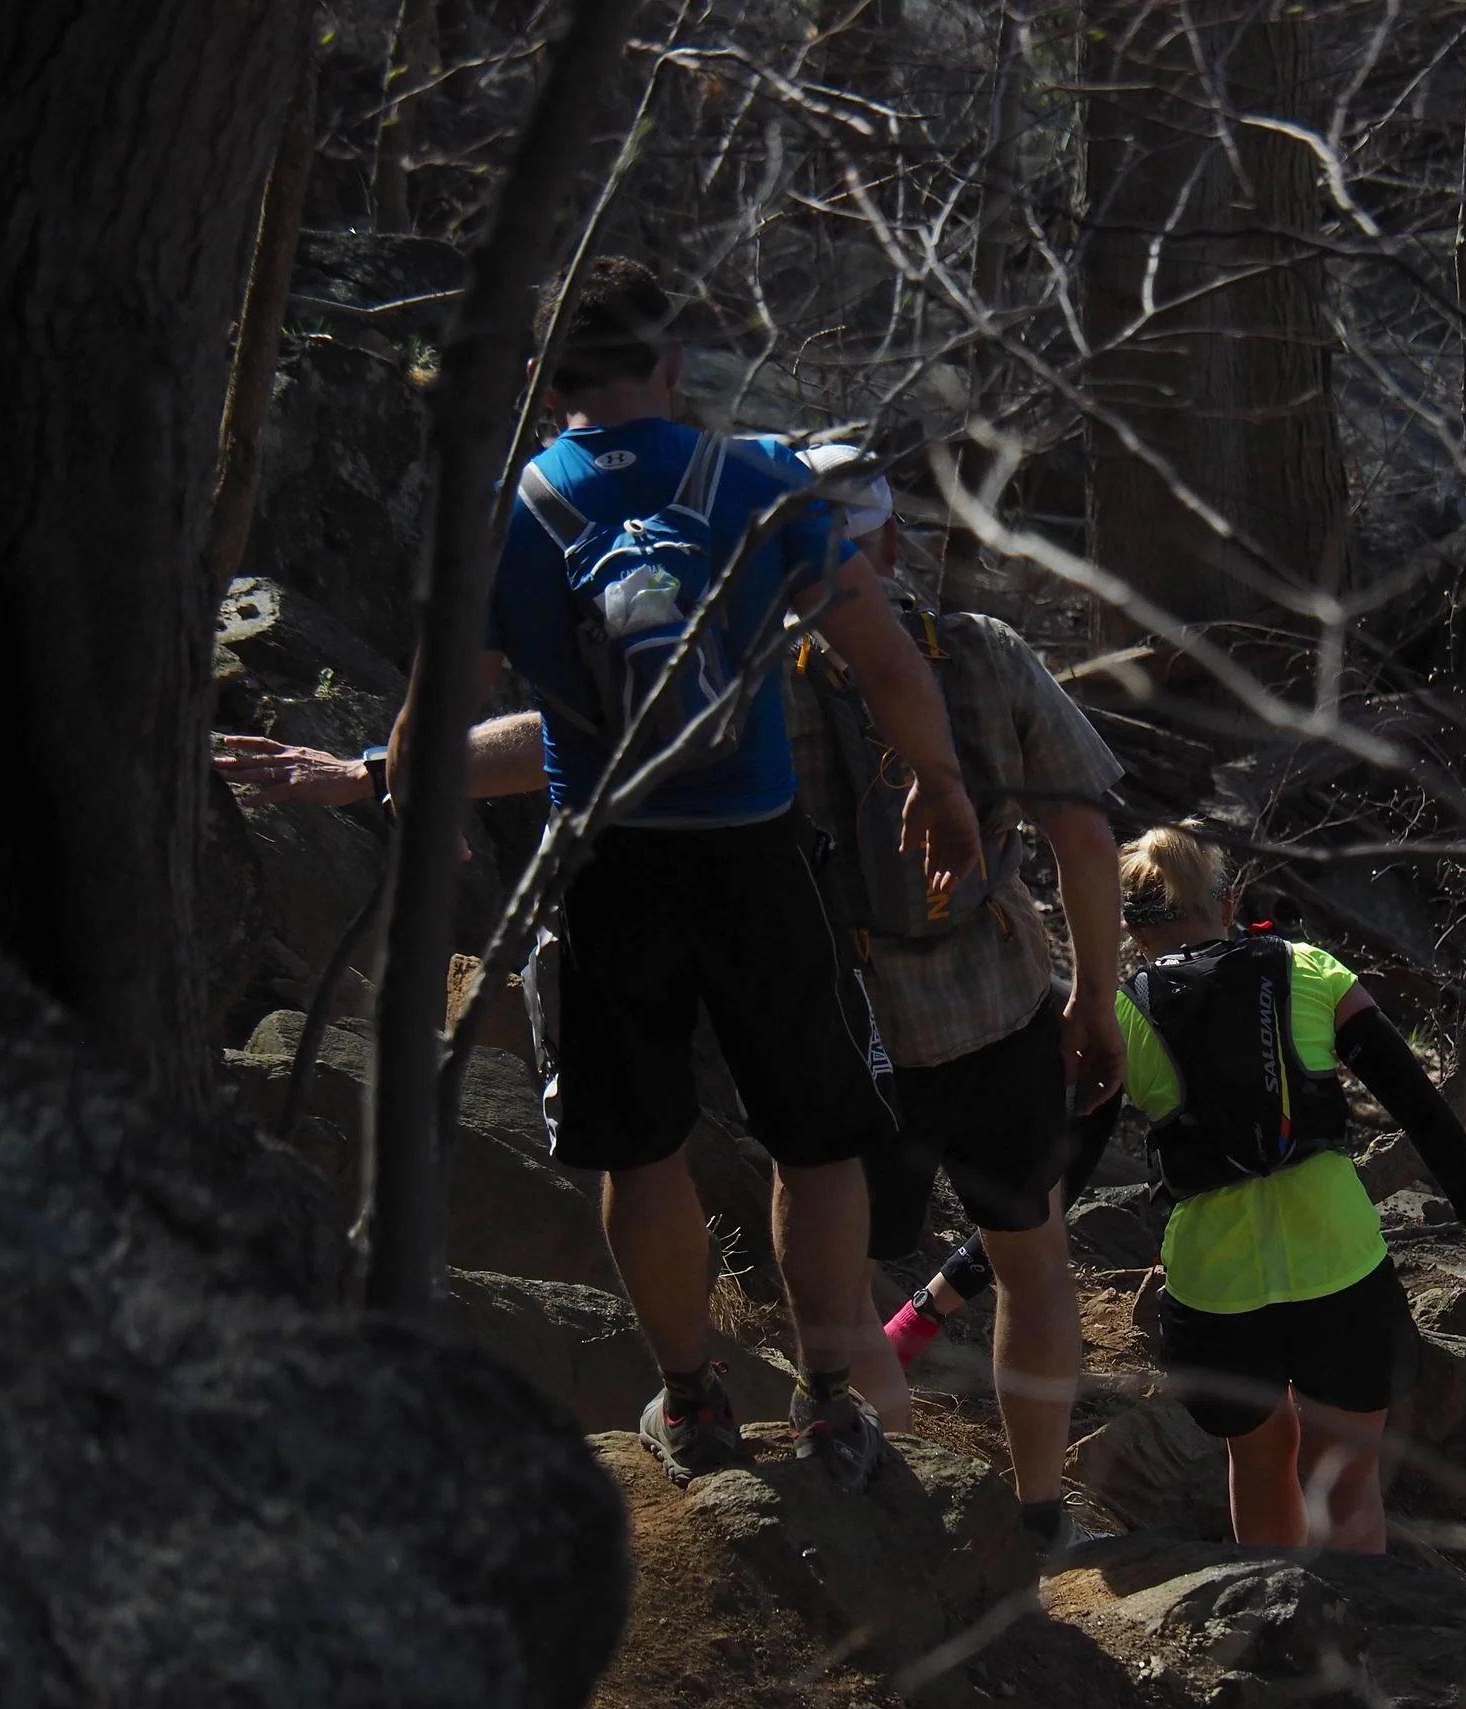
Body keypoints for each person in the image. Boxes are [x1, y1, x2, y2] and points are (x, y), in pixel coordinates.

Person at [225, 258, 982, 1494]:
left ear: (542, 381)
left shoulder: (505, 513)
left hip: (604, 862)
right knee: (813, 1143)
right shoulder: (758, 482)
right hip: (758, 854)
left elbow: (441, 706)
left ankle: (692, 1404)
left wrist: (408, 797)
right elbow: (889, 663)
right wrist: (940, 788)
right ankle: (831, 1405)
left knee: (641, 1151)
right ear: (672, 366)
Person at [780, 445, 1126, 1552]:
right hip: (1001, 1010)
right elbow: (1085, 836)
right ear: (889, 543)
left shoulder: (755, 682)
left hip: (848, 1028)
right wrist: (1095, 999)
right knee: (1031, 1263)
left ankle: (894, 1529)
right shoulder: (981, 652)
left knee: (843, 1287)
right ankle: (1038, 1516)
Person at [1111, 827, 1466, 1552]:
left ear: (1133, 930)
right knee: (1346, 1481)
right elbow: (1421, 1107)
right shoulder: (1309, 967)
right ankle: (1356, 1622)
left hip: (1216, 1288)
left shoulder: (1120, 1014)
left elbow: (1052, 1167)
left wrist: (942, 1294)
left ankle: (1275, 1613)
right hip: (1340, 1267)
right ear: (1228, 903)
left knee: (1258, 1463)